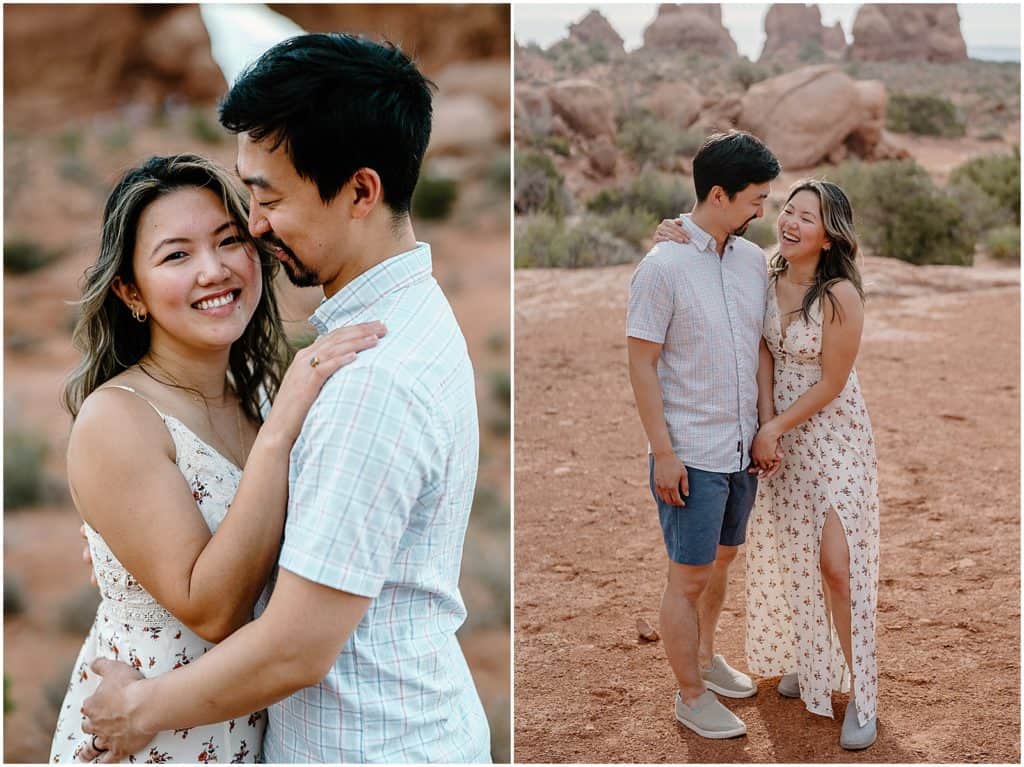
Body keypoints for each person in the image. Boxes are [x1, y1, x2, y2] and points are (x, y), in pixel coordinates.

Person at [77, 33, 492, 763]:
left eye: (261, 204)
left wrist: (140, 709)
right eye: (176, 254)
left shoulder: (364, 380)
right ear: (130, 290)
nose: (257, 230)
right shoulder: (392, 328)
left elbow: (296, 646)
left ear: (361, 191)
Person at [50, 153, 382, 763]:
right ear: (130, 291)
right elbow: (214, 609)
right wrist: (282, 430)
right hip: (148, 736)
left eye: (230, 241)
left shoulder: (259, 396)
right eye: (176, 255)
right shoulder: (117, 419)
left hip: (247, 727)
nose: (214, 269)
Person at [652, 179, 880, 750]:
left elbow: (831, 383)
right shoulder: (764, 271)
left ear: (830, 237)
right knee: (792, 553)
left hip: (831, 435)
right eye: (788, 211)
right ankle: (813, 662)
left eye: (808, 217)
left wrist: (774, 425)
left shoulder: (840, 296)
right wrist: (670, 232)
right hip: (773, 436)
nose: (791, 222)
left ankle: (864, 694)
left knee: (836, 564)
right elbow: (758, 350)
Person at [626, 130, 781, 740]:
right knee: (686, 578)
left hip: (742, 448)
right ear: (719, 194)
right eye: (756, 199)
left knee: (722, 562)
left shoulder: (750, 261)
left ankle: (708, 661)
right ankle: (690, 695)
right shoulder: (660, 268)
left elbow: (760, 350)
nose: (762, 210)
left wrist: (767, 425)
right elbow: (641, 363)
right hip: (688, 454)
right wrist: (664, 453)